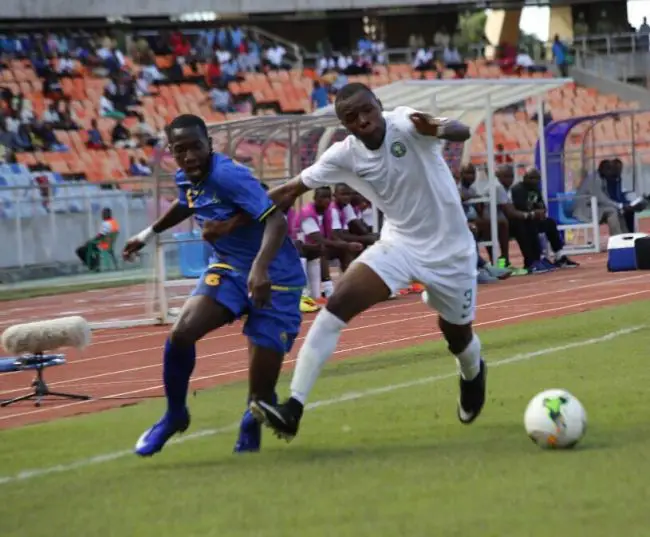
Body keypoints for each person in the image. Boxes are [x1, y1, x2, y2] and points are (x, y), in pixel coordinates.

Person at [208, 83, 487, 441]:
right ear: (344, 124)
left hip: (452, 253)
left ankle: (472, 372)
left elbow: (458, 131)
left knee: (457, 336)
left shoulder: (405, 123)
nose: (362, 120)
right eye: (351, 117)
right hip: (400, 245)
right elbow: (289, 191)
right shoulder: (343, 155)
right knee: (336, 305)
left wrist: (442, 127)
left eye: (367, 110)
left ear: (379, 106)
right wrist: (233, 223)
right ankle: (293, 406)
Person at [121, 114, 305, 456]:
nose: (189, 156)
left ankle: (251, 423)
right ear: (172, 152)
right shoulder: (187, 177)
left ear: (210, 145)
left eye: (195, 147)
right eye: (180, 150)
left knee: (261, 396)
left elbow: (276, 219)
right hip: (229, 268)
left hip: (276, 277)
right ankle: (175, 414)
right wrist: (147, 234)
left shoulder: (229, 176)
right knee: (180, 333)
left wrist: (261, 269)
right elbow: (186, 202)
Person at [507, 168, 579, 270]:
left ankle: (559, 256)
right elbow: (520, 207)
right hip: (521, 221)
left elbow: (542, 206)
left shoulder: (536, 189)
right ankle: (532, 261)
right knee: (529, 227)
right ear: (525, 178)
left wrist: (541, 212)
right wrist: (533, 213)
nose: (535, 181)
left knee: (550, 223)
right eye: (532, 178)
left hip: (534, 219)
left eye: (537, 179)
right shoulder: (518, 189)